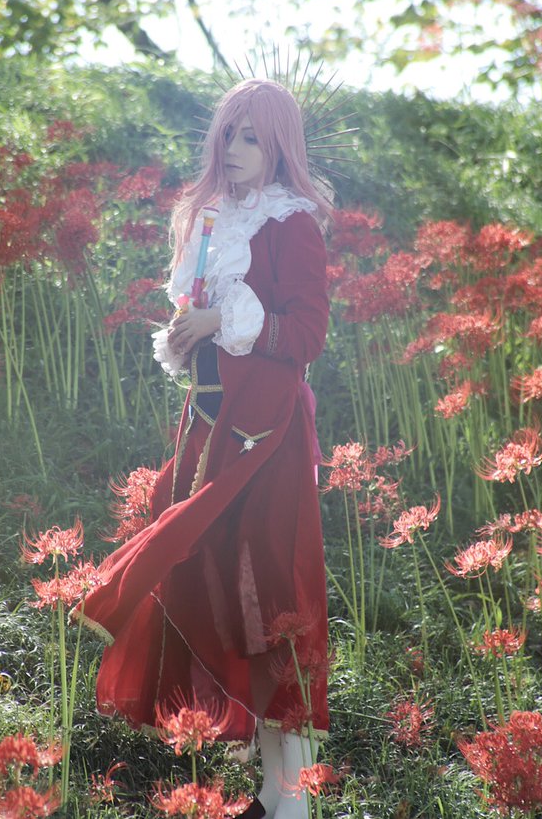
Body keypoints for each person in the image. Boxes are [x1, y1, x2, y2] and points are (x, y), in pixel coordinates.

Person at [73, 78, 332, 819]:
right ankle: (269, 794)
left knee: (275, 605)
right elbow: (208, 327)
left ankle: (293, 803)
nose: (236, 148)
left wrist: (221, 320)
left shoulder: (293, 223)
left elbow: (306, 335)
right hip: (211, 430)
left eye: (253, 137)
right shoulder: (215, 219)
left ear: (279, 146)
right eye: (229, 134)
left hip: (269, 440)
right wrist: (192, 334)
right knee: (221, 594)